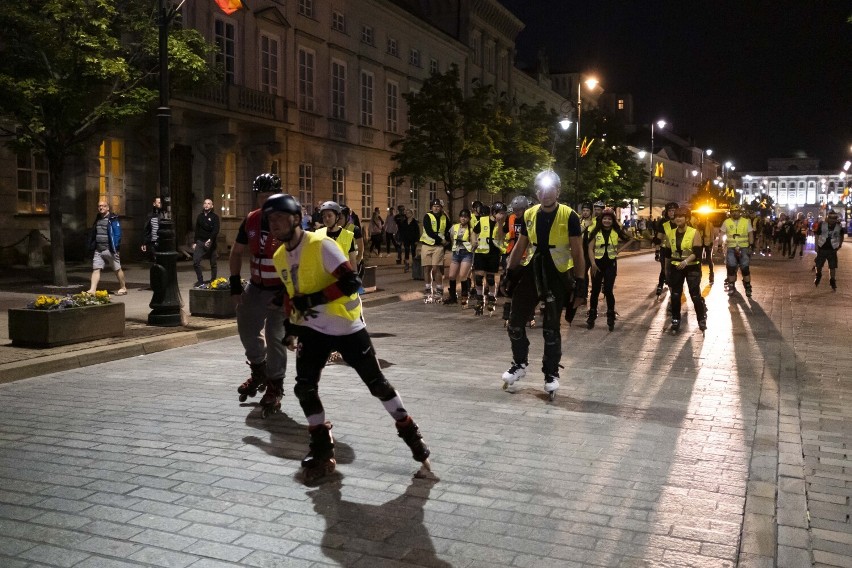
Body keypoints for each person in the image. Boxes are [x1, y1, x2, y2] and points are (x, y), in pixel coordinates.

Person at [264, 193, 431, 482]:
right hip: (313, 330)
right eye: (271, 219)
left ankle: (410, 432)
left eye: (280, 217)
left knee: (377, 385)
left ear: (294, 218)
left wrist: (313, 299)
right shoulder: (279, 255)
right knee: (304, 389)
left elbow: (351, 282)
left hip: (346, 327)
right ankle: (321, 446)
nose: (275, 224)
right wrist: (291, 327)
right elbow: (293, 294)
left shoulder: (321, 244)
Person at [500, 171, 586, 398]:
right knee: (515, 322)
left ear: (558, 190)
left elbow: (577, 251)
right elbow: (520, 245)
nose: (545, 194)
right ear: (536, 192)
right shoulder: (529, 214)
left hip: (557, 273)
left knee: (551, 328)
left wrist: (580, 281)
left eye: (550, 190)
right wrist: (509, 272)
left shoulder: (570, 215)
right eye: (541, 190)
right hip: (532, 270)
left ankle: (551, 373)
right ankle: (519, 363)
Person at [228, 173, 288, 414]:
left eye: (269, 197)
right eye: (261, 197)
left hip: (282, 288)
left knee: (276, 335)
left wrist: (288, 292)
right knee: (245, 327)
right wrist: (234, 284)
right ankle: (259, 369)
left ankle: (275, 384)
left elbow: (299, 256)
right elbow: (236, 252)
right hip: (256, 285)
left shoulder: (288, 220)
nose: (264, 202)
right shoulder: (251, 219)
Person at [586, 207, 632, 331]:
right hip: (597, 264)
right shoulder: (596, 232)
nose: (607, 221)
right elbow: (590, 249)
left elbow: (630, 239)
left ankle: (610, 314)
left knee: (608, 290)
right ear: (601, 220)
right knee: (595, 290)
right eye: (605, 219)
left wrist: (619, 250)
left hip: (610, 264)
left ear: (613, 220)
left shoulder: (616, 231)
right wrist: (593, 263)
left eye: (609, 219)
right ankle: (592, 314)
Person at [664, 207, 707, 332]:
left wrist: (686, 261)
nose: (678, 218)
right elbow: (667, 253)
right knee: (676, 294)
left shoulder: (694, 232)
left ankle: (701, 318)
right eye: (676, 216)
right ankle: (676, 319)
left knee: (694, 295)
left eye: (681, 216)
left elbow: (697, 252)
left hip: (691, 267)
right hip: (676, 267)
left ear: (687, 219)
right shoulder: (671, 233)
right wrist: (666, 271)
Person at [470, 202, 507, 314]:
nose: (503, 215)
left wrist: (500, 224)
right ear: (494, 212)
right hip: (481, 252)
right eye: (501, 213)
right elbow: (474, 232)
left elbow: (501, 236)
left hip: (494, 253)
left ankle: (491, 298)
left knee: (490, 279)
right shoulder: (483, 220)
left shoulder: (503, 223)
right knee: (478, 278)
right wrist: (474, 241)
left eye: (504, 213)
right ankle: (480, 299)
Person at [86, 200, 127, 295]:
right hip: (98, 249)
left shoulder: (113, 219)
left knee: (117, 269)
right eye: (99, 206)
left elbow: (117, 234)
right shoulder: (98, 219)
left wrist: (115, 248)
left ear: (108, 208)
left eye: (103, 206)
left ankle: (123, 287)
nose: (101, 208)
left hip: (110, 249)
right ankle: (92, 289)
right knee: (96, 269)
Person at [501, 195, 531, 325]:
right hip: (512, 253)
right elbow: (501, 235)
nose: (516, 212)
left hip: (527, 255)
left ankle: (529, 315)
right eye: (514, 209)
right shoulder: (510, 218)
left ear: (525, 209)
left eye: (519, 210)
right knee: (510, 283)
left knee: (526, 286)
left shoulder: (530, 219)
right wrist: (498, 222)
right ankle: (507, 313)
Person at [419, 199, 450, 301]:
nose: (436, 208)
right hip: (427, 245)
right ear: (431, 207)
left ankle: (439, 289)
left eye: (438, 206)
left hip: (438, 247)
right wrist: (442, 240)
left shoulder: (445, 217)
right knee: (427, 268)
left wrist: (447, 241)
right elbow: (429, 231)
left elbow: (448, 230)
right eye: (434, 206)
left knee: (436, 268)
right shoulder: (427, 216)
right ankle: (428, 288)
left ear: (441, 208)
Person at [721, 204, 754, 297]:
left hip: (744, 247)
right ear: (731, 213)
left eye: (737, 211)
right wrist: (720, 245)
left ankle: (747, 286)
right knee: (731, 267)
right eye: (733, 211)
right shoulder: (726, 222)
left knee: (745, 268)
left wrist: (751, 245)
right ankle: (731, 286)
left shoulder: (746, 221)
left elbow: (750, 233)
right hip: (731, 247)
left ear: (740, 212)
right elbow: (721, 233)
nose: (735, 213)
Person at [444, 208, 474, 305]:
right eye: (461, 217)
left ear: (469, 218)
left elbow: (474, 242)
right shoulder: (454, 227)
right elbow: (451, 237)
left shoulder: (471, 229)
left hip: (467, 253)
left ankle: (464, 295)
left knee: (462, 275)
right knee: (451, 275)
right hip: (456, 253)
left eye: (465, 217)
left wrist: (471, 248)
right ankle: (452, 296)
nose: (463, 219)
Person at [315, 201, 358, 268]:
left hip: (342, 276)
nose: (326, 219)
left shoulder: (347, 236)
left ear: (337, 217)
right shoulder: (318, 234)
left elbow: (353, 262)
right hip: (323, 277)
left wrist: (354, 276)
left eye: (329, 216)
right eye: (324, 216)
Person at [192, 198, 220, 287]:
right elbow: (197, 229)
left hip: (211, 241)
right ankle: (200, 280)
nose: (207, 205)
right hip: (200, 241)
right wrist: (195, 242)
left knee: (213, 262)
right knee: (196, 261)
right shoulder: (200, 217)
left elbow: (216, 230)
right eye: (205, 203)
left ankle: (213, 280)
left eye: (209, 203)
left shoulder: (215, 217)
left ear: (212, 206)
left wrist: (210, 239)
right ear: (203, 205)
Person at [653, 202, 679, 296]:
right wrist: (657, 252)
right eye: (670, 211)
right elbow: (658, 239)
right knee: (665, 269)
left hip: (678, 250)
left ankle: (675, 289)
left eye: (674, 211)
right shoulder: (663, 223)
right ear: (667, 212)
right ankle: (661, 284)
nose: (672, 212)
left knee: (677, 270)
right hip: (665, 249)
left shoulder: (680, 221)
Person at [813, 210, 844, 290]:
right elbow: (817, 235)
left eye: (834, 218)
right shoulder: (822, 224)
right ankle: (818, 275)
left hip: (832, 249)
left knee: (832, 266)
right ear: (828, 218)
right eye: (831, 218)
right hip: (822, 248)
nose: (832, 220)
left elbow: (841, 235)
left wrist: (839, 244)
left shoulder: (838, 226)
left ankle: (832, 280)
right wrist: (816, 245)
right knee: (818, 265)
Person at [693, 211, 719, 284]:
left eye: (703, 217)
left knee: (708, 259)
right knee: (699, 259)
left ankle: (711, 274)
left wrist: (711, 243)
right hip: (700, 243)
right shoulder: (697, 224)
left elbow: (712, 234)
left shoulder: (710, 224)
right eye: (701, 217)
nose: (702, 218)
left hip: (707, 243)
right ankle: (699, 274)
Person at [140, 196, 164, 262]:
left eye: (161, 202)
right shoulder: (150, 216)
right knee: (155, 260)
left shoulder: (163, 215)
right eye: (158, 202)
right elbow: (147, 230)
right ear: (154, 204)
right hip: (153, 242)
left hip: (162, 242)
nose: (160, 204)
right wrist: (144, 243)